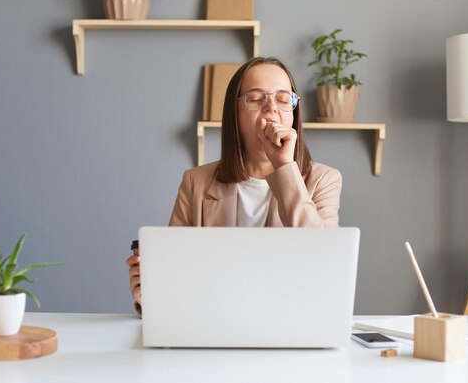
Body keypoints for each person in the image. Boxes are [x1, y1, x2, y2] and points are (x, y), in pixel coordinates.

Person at [126, 56, 342, 314]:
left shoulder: (325, 180)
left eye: (284, 99)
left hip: (293, 325)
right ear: (235, 114)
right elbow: (174, 285)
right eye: (255, 98)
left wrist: (284, 166)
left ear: (294, 113)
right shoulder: (196, 182)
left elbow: (325, 265)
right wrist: (149, 296)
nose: (271, 108)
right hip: (213, 327)